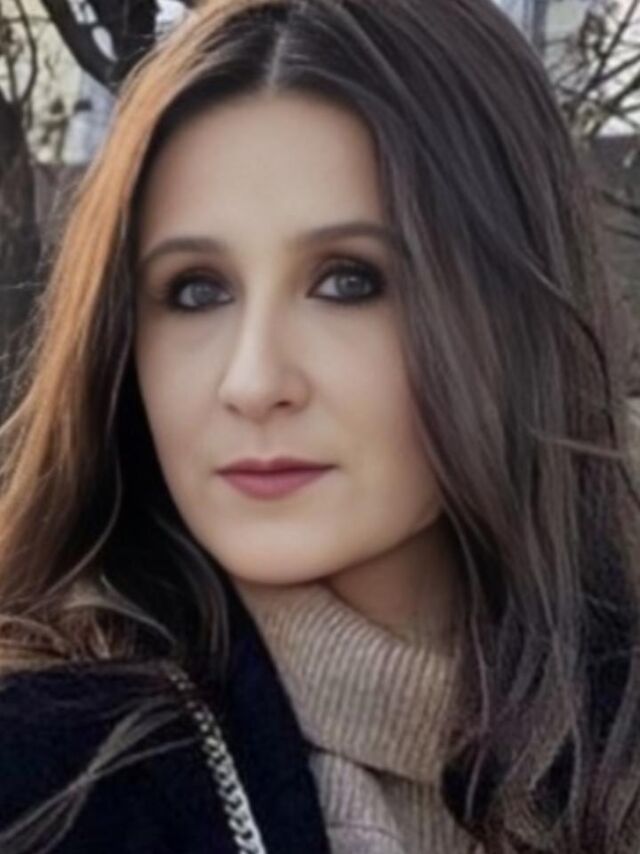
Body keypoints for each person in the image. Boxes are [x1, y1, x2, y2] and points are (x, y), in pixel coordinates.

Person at [0, 0, 638, 851]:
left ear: (516, 314)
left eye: (348, 282)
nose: (253, 382)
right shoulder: (45, 788)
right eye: (196, 290)